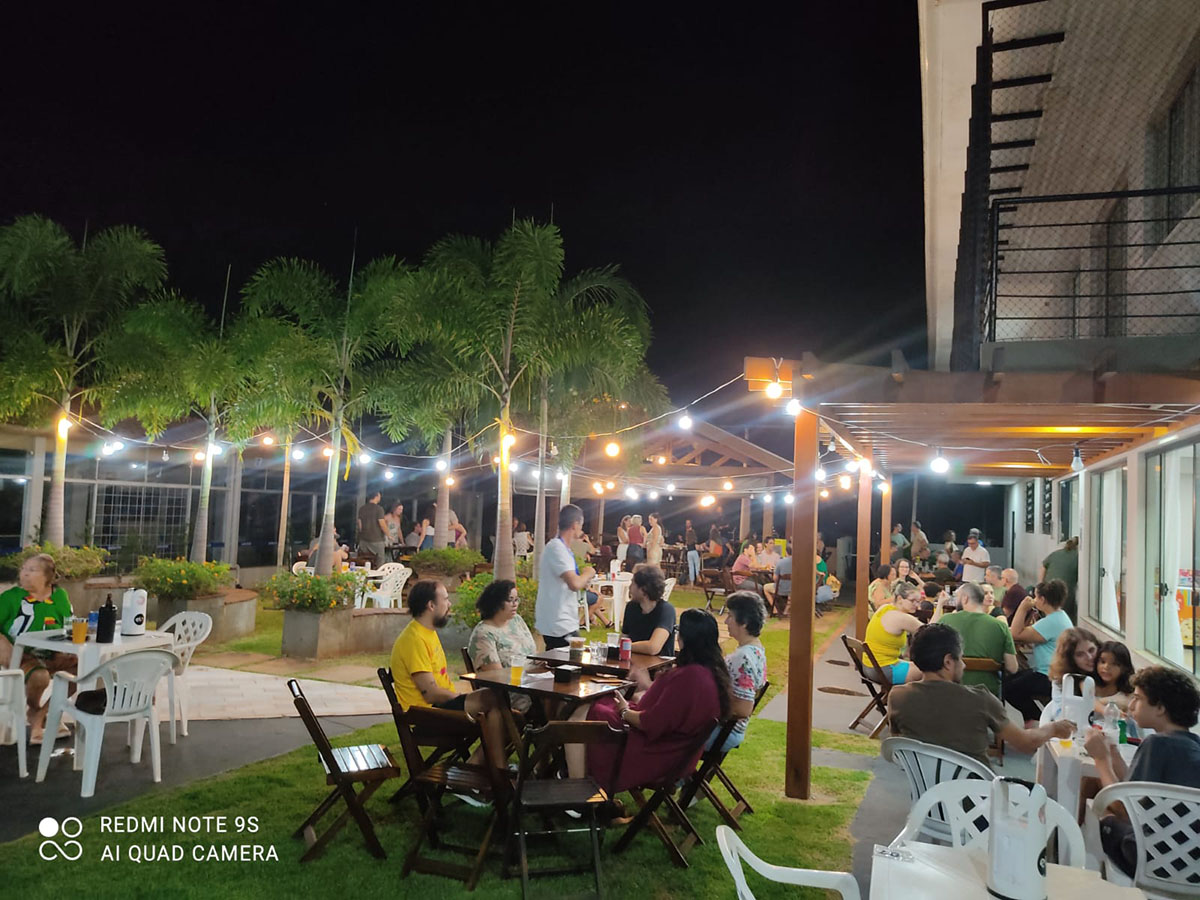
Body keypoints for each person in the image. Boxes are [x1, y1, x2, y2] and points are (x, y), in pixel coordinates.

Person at [570, 609, 729, 794]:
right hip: (674, 749)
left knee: (581, 717)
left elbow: (650, 723)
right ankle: (574, 779)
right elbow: (670, 710)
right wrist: (647, 687)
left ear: (685, 638)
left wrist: (624, 711)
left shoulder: (689, 677)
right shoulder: (713, 672)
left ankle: (576, 789)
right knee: (596, 704)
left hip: (653, 750)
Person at [888, 624, 1074, 768]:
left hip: (926, 797)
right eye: (961, 658)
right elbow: (1026, 743)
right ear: (948, 662)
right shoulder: (980, 700)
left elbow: (899, 746)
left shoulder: (898, 697)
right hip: (977, 800)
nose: (964, 665)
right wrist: (1054, 728)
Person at [1085, 666, 1200, 879]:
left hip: (1153, 862)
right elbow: (1135, 788)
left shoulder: (1157, 743)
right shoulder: (1192, 747)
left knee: (1102, 814)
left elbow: (1124, 809)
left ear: (1160, 708)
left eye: (1137, 698)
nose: (1131, 705)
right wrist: (1113, 754)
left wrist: (1101, 760)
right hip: (1192, 869)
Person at [389, 579, 509, 767]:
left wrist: (464, 699)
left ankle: (483, 768)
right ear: (431, 605)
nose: (449, 604)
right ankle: (493, 771)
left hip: (438, 709)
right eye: (445, 599)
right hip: (424, 716)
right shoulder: (414, 639)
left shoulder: (427, 632)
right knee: (493, 700)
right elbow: (430, 693)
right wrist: (462, 698)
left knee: (505, 714)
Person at [0, 554, 77, 744]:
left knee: (82, 671)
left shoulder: (60, 596)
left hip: (52, 654)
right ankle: (35, 712)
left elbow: (68, 627)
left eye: (31, 570)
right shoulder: (11, 597)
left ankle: (40, 715)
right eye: (23, 569)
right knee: (40, 677)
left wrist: (65, 650)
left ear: (47, 576)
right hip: (22, 656)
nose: (24, 574)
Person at [1005, 578, 1073, 725]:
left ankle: (1039, 719)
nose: (1034, 600)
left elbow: (1015, 634)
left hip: (1048, 676)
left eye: (1036, 597)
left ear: (1042, 599)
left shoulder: (1051, 621)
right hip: (1047, 671)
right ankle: (1032, 719)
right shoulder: (1059, 616)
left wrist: (1023, 608)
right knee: (1011, 679)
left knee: (1008, 689)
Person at [709, 591, 768, 752]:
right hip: (726, 730)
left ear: (744, 622)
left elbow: (743, 709)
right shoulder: (756, 649)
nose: (726, 621)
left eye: (730, 616)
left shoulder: (743, 657)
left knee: (665, 732)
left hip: (723, 732)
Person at [535, 504, 598, 650]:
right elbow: (574, 584)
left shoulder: (563, 549)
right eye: (581, 525)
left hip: (563, 619)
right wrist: (588, 573)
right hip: (558, 621)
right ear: (575, 525)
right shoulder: (556, 548)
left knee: (566, 659)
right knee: (571, 659)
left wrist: (583, 580)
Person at [939, 582, 1017, 698]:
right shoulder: (1000, 626)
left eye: (957, 597)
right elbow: (1012, 667)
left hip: (951, 691)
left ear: (965, 598)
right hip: (988, 694)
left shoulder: (945, 621)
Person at [863, 581, 941, 684]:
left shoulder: (885, 608)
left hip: (870, 666)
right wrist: (940, 604)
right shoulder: (902, 618)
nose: (916, 605)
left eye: (918, 601)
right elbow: (931, 632)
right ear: (900, 598)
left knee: (920, 666)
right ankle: (912, 694)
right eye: (912, 601)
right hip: (884, 669)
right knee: (934, 671)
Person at [467, 579, 536, 675]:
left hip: (534, 677)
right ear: (496, 602)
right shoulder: (484, 634)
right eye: (510, 600)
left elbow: (533, 654)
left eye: (516, 600)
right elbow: (496, 675)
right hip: (510, 682)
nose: (515, 604)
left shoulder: (516, 620)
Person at [621, 565, 676, 657]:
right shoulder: (631, 607)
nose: (630, 588)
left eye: (633, 584)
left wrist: (624, 646)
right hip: (633, 661)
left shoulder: (666, 610)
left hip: (659, 664)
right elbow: (624, 637)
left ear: (644, 589)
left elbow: (653, 647)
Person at [1041, 537, 1080, 623]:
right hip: (1064, 592)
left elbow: (1043, 566)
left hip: (1048, 590)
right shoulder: (1078, 556)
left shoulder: (1056, 553)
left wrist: (1041, 584)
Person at [1093, 640, 1135, 713]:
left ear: (1124, 668)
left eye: (1114, 664)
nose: (1106, 667)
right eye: (1103, 662)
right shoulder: (1089, 683)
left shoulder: (1128, 694)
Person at [355, 490, 387, 567]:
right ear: (376, 496)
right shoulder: (379, 509)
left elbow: (360, 524)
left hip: (364, 539)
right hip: (376, 539)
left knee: (364, 560)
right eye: (379, 495)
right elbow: (382, 524)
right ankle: (378, 574)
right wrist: (388, 534)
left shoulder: (362, 508)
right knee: (380, 560)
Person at [764, 541, 792, 616]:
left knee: (765, 587)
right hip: (794, 589)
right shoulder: (798, 562)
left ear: (786, 552)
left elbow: (775, 578)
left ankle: (775, 610)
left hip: (780, 589)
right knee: (791, 591)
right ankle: (786, 610)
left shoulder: (780, 562)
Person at [684, 519, 702, 585]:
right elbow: (697, 546)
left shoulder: (687, 536)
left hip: (689, 552)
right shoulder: (693, 534)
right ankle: (698, 578)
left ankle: (691, 582)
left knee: (691, 567)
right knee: (697, 566)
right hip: (694, 551)